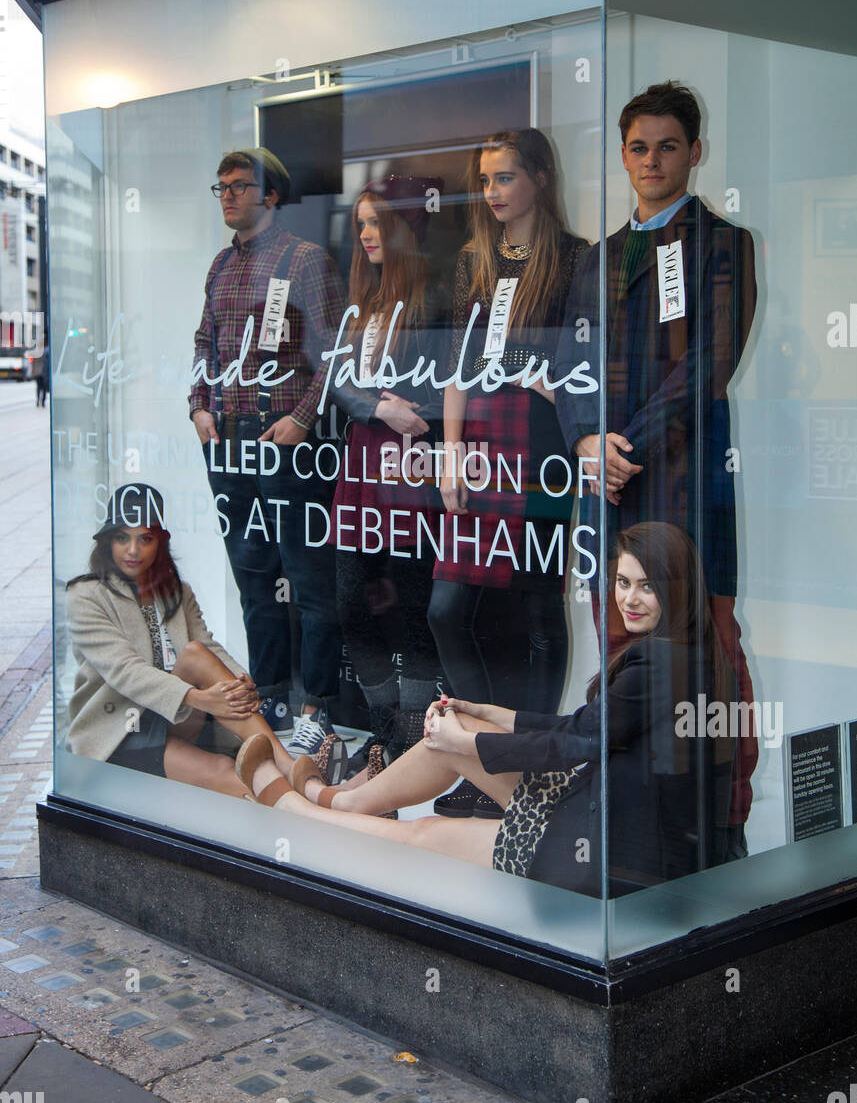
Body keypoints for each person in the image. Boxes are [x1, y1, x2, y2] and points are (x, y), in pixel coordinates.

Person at [236, 522, 735, 893]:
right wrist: (490, 715)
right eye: (623, 582)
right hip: (606, 816)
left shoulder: (659, 660)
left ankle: (298, 811)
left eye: (647, 585)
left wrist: (469, 741)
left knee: (427, 830)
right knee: (459, 727)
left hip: (608, 855)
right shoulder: (682, 650)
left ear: (678, 588)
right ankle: (338, 803)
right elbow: (586, 728)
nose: (630, 598)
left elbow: (575, 742)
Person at [554, 82, 758, 859]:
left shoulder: (723, 244)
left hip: (680, 484)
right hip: (604, 484)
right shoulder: (599, 258)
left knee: (710, 645)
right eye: (637, 147)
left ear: (695, 153)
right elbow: (568, 358)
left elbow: (706, 365)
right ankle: (626, 806)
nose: (651, 160)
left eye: (667, 145)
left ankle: (721, 824)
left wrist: (621, 447)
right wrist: (582, 442)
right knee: (618, 641)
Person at [426, 128, 589, 818]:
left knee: (535, 608)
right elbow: (460, 366)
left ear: (541, 178)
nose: (492, 192)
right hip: (482, 443)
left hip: (542, 445)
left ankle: (526, 773)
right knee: (447, 609)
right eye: (486, 179)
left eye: (506, 177)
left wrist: (550, 381)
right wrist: (452, 448)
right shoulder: (474, 261)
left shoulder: (578, 259)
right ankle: (479, 757)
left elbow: (585, 366)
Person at [189, 147, 347, 753]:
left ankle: (318, 710)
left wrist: (302, 421)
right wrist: (199, 405)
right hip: (226, 443)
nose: (228, 195)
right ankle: (271, 699)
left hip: (283, 441)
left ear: (271, 195)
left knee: (308, 580)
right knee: (254, 578)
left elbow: (334, 352)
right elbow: (205, 341)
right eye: (221, 187)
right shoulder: (219, 267)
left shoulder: (305, 260)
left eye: (239, 186)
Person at [325, 176, 452, 778]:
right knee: (354, 602)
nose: (369, 235)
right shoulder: (366, 299)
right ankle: (386, 735)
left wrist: (409, 411)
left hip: (410, 469)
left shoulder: (433, 294)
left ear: (406, 225)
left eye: (378, 222)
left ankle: (408, 745)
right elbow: (338, 381)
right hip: (362, 464)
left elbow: (452, 384)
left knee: (412, 605)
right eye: (362, 225)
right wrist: (374, 407)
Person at [64, 483, 292, 795]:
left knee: (196, 652)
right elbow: (125, 671)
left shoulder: (176, 590)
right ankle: (312, 806)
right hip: (124, 728)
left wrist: (241, 681)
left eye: (145, 538)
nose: (132, 550)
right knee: (227, 770)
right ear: (107, 543)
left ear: (159, 542)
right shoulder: (86, 596)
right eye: (122, 538)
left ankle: (287, 765)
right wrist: (197, 698)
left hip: (176, 718)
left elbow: (207, 647)